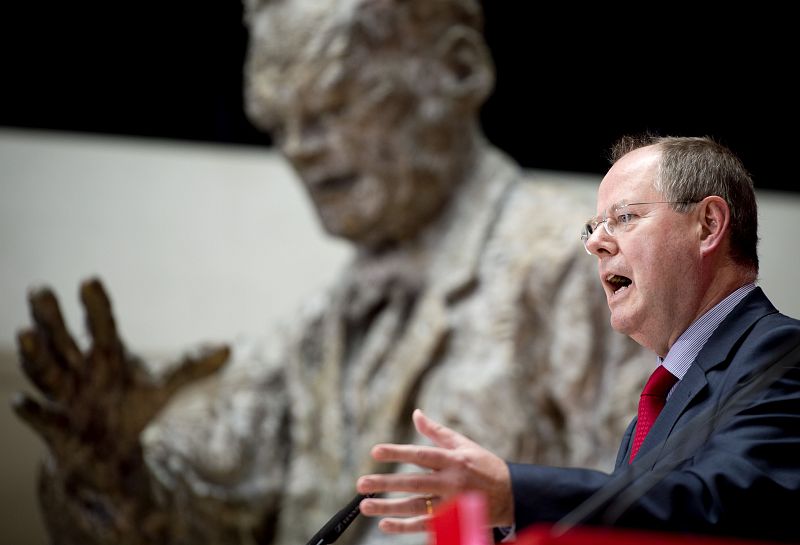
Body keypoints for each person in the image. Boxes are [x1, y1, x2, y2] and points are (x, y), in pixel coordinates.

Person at [12, 2, 652, 545]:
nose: (300, 147)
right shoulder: (317, 328)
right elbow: (195, 510)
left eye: (335, 105)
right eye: (279, 124)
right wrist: (109, 469)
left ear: (458, 68)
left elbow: (654, 508)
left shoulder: (582, 269)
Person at [355, 135, 800, 544]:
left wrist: (514, 492)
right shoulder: (668, 395)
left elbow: (727, 507)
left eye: (624, 218)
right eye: (594, 228)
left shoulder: (781, 353)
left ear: (707, 224)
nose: (596, 245)